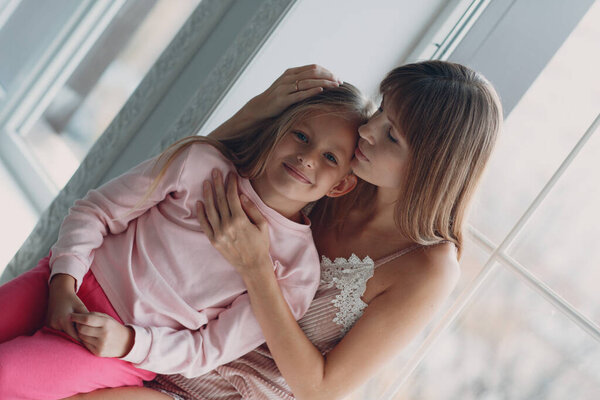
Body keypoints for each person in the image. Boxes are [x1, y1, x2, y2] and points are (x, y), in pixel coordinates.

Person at [70, 60, 502, 400]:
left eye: (392, 135)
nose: (367, 131)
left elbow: (319, 390)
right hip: (162, 345)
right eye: (381, 111)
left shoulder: (427, 268)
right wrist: (257, 108)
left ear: (430, 167)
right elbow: (196, 180)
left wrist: (258, 269)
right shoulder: (341, 177)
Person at [0, 81, 373, 399]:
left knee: (7, 375)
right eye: (302, 135)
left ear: (341, 184)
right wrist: (63, 284)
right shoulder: (198, 163)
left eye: (329, 157)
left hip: (116, 351)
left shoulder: (297, 270)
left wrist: (129, 343)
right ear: (279, 129)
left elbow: (207, 349)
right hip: (64, 281)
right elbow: (95, 211)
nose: (308, 157)